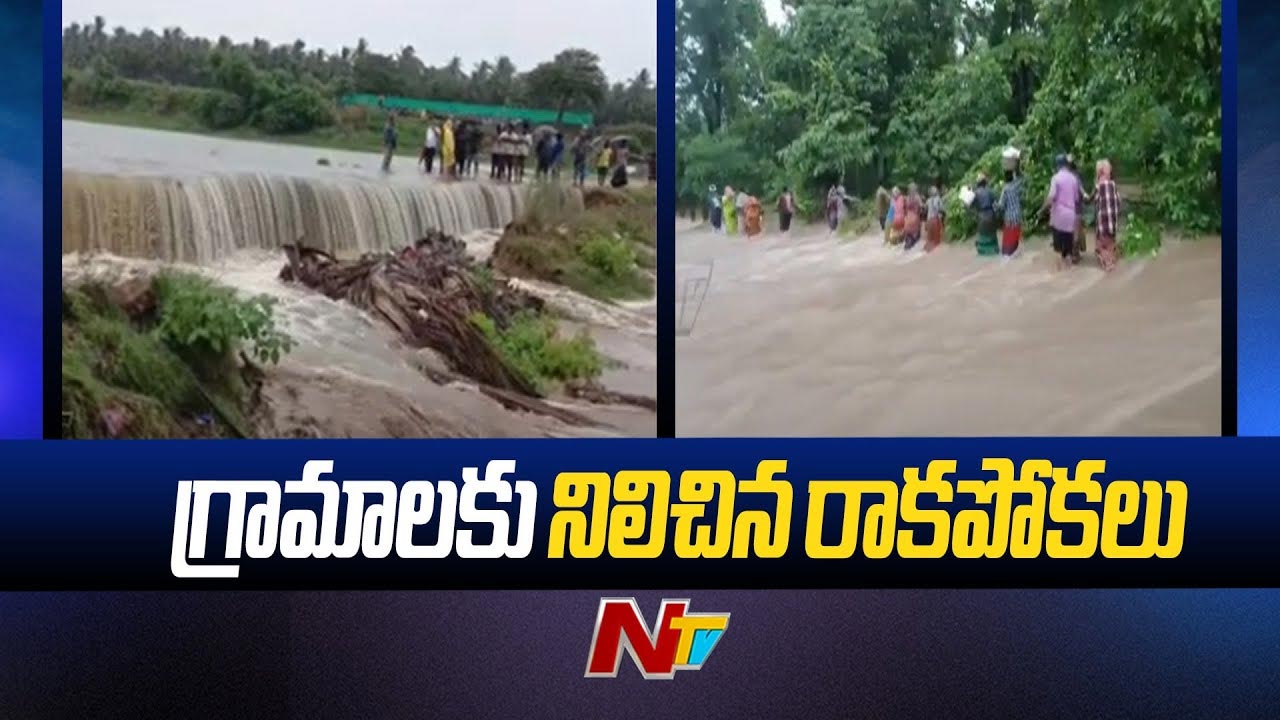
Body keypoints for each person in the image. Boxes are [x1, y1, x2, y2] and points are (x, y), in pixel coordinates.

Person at [1040, 154, 1082, 269]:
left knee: (1058, 250)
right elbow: (1077, 199)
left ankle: (1058, 274)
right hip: (1070, 217)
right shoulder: (1074, 179)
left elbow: (1051, 196)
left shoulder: (1056, 178)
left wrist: (1042, 209)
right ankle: (1068, 273)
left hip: (1058, 217)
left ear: (1057, 165)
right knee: (1067, 251)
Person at [1093, 159, 1121, 271]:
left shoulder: (1098, 186)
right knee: (1110, 243)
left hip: (1103, 222)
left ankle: (1108, 263)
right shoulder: (1113, 185)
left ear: (1099, 172)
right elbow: (1119, 201)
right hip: (1113, 221)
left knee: (1102, 245)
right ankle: (1111, 259)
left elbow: (1093, 201)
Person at [996, 165, 1025, 256]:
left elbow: (1001, 205)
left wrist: (995, 205)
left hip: (1009, 217)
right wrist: (1018, 168)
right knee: (1017, 235)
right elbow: (1023, 178)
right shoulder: (1017, 185)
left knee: (1008, 242)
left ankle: (1009, 253)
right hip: (1018, 215)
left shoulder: (1005, 189)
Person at [970, 172, 998, 256]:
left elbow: (970, 205)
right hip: (990, 214)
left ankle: (983, 250)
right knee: (992, 232)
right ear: (985, 182)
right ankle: (993, 249)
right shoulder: (990, 191)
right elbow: (995, 202)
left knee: (982, 233)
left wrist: (974, 213)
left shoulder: (975, 193)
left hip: (981, 215)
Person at [1068, 155, 1086, 262]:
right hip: (1076, 208)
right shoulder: (1076, 177)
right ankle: (1075, 254)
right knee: (1076, 231)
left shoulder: (1062, 176)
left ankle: (1072, 253)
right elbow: (1081, 190)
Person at [924, 183, 944, 252]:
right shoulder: (938, 199)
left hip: (929, 219)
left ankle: (928, 248)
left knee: (929, 237)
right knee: (936, 238)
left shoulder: (928, 200)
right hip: (935, 219)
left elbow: (925, 208)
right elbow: (941, 208)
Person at [903, 183, 923, 250]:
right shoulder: (917, 197)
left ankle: (907, 244)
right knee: (916, 236)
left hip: (908, 218)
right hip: (915, 217)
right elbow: (921, 205)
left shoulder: (907, 197)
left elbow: (905, 207)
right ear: (916, 189)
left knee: (908, 233)